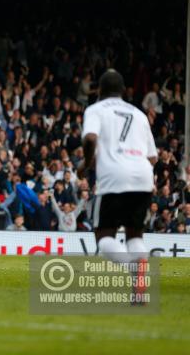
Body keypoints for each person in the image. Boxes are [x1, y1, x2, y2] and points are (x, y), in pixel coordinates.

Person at [78, 69, 157, 301]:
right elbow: (153, 157)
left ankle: (134, 268)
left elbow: (91, 138)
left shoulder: (95, 110)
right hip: (143, 177)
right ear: (123, 91)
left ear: (100, 91)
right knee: (135, 236)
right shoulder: (140, 114)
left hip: (113, 177)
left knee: (104, 237)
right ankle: (139, 293)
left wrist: (87, 163)